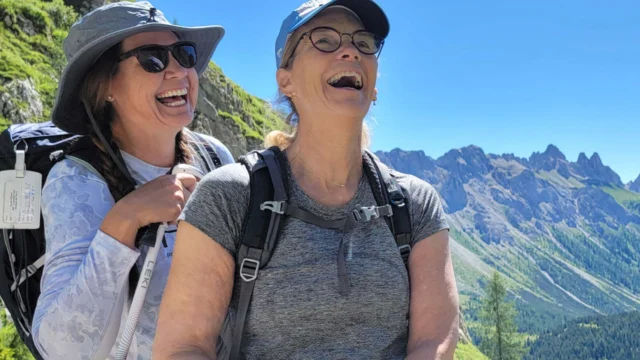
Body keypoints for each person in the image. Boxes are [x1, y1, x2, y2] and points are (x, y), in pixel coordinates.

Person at [154, 0, 460, 359]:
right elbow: (183, 347)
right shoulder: (230, 196)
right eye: (324, 40)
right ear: (286, 80)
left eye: (364, 43)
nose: (349, 51)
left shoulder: (413, 203)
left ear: (374, 86)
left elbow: (433, 343)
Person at [31, 2, 233, 359]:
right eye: (152, 59)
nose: (177, 71)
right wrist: (125, 221)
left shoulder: (215, 157)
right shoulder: (76, 180)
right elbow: (60, 349)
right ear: (106, 86)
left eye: (183, 55)